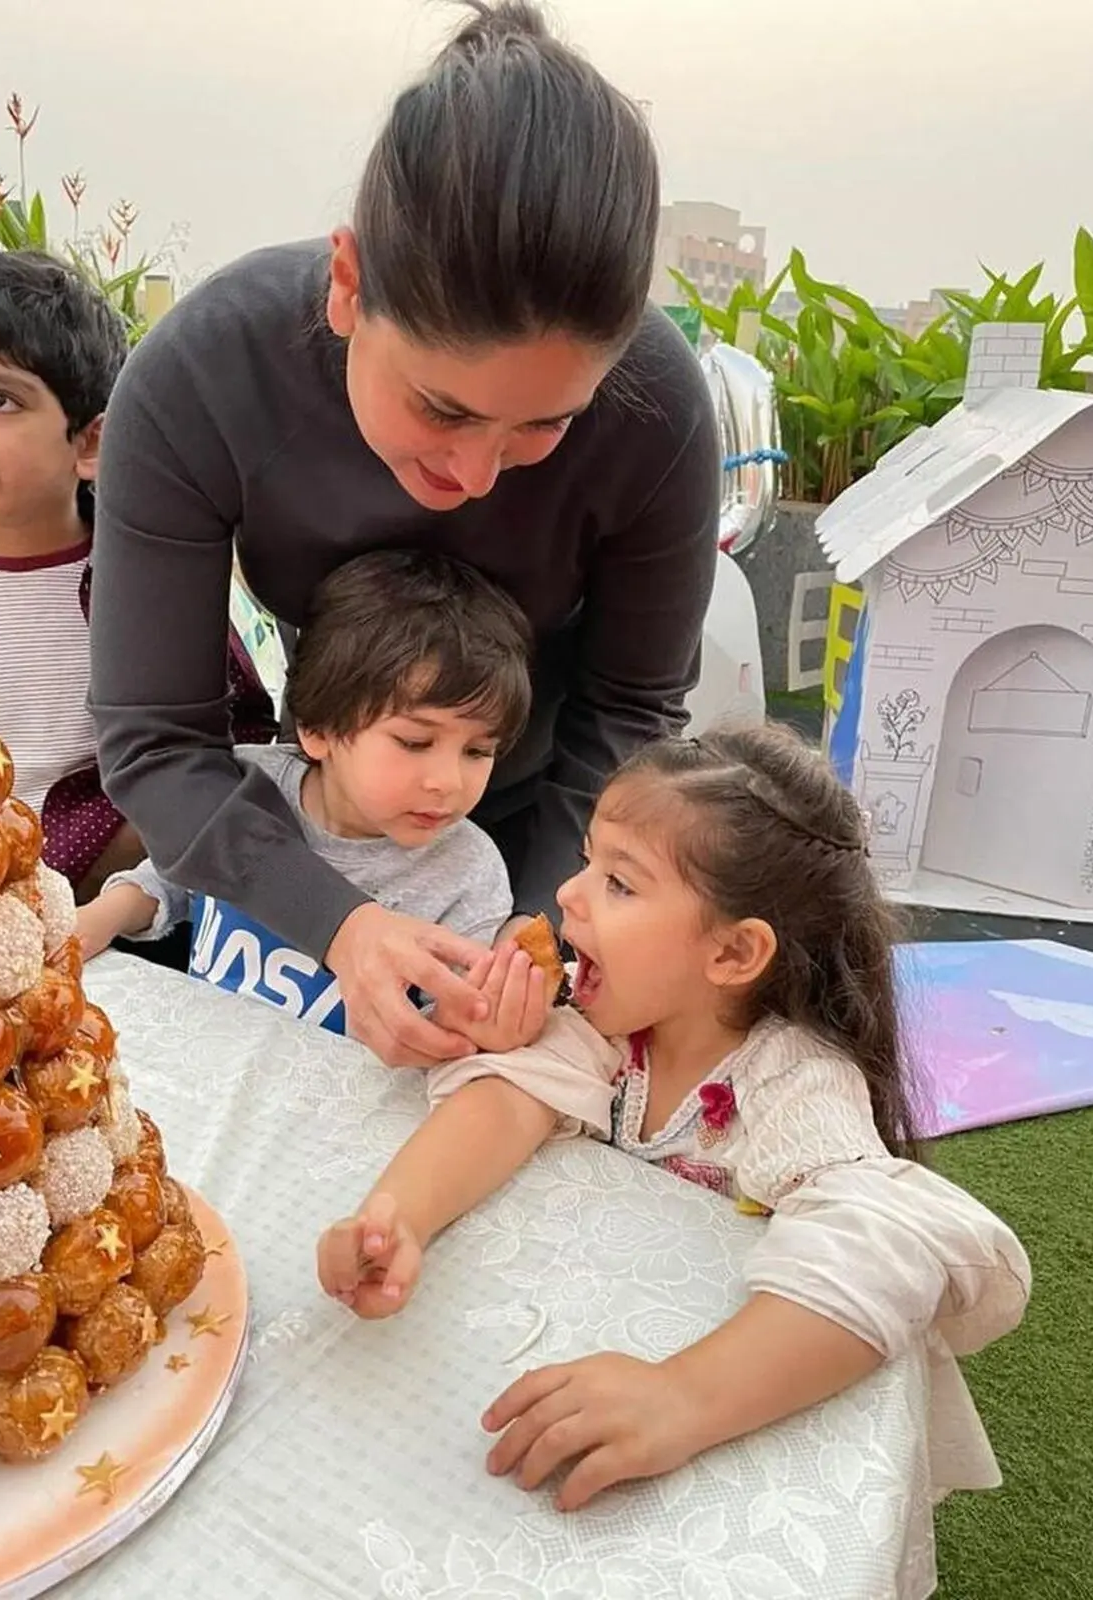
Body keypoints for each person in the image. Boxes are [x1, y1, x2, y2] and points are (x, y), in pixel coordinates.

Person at [89, 0, 719, 1065]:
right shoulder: (203, 376)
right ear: (347, 286)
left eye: (546, 426)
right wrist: (339, 923)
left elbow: (629, 709)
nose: (472, 478)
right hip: (313, 816)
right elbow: (156, 740)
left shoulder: (660, 411)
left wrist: (530, 939)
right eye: (442, 408)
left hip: (555, 828)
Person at [317, 724, 1030, 1508]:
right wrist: (399, 1218)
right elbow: (508, 1102)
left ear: (732, 955)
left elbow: (880, 1252)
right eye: (587, 859)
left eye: (619, 884)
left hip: (753, 1405)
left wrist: (681, 1398)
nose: (567, 895)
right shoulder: (606, 1026)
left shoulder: (793, 1079)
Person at [0, 249, 277, 902]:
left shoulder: (154, 587)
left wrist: (113, 854)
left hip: (94, 919)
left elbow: (238, 742)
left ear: (91, 442)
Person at [77, 550, 551, 1045]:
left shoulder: (469, 874)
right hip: (201, 1061)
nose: (448, 781)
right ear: (318, 728)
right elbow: (173, 878)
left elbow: (450, 1018)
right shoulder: (244, 787)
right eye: (415, 742)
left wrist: (477, 1022)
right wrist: (99, 917)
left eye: (478, 751)